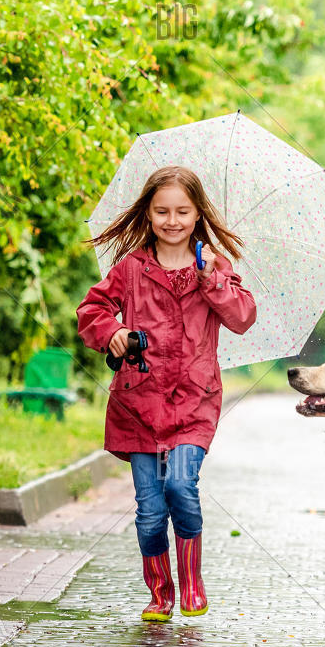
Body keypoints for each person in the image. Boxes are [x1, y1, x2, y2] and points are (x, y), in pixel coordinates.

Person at [76, 165, 258, 621]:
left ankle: (193, 583)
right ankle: (160, 592)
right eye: (162, 211)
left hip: (194, 403)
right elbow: (92, 309)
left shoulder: (214, 267)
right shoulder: (132, 269)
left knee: (181, 485)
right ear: (149, 214)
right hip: (138, 405)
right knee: (150, 512)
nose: (172, 220)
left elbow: (242, 317)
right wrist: (113, 331)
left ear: (198, 215)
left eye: (182, 211)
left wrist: (212, 279)